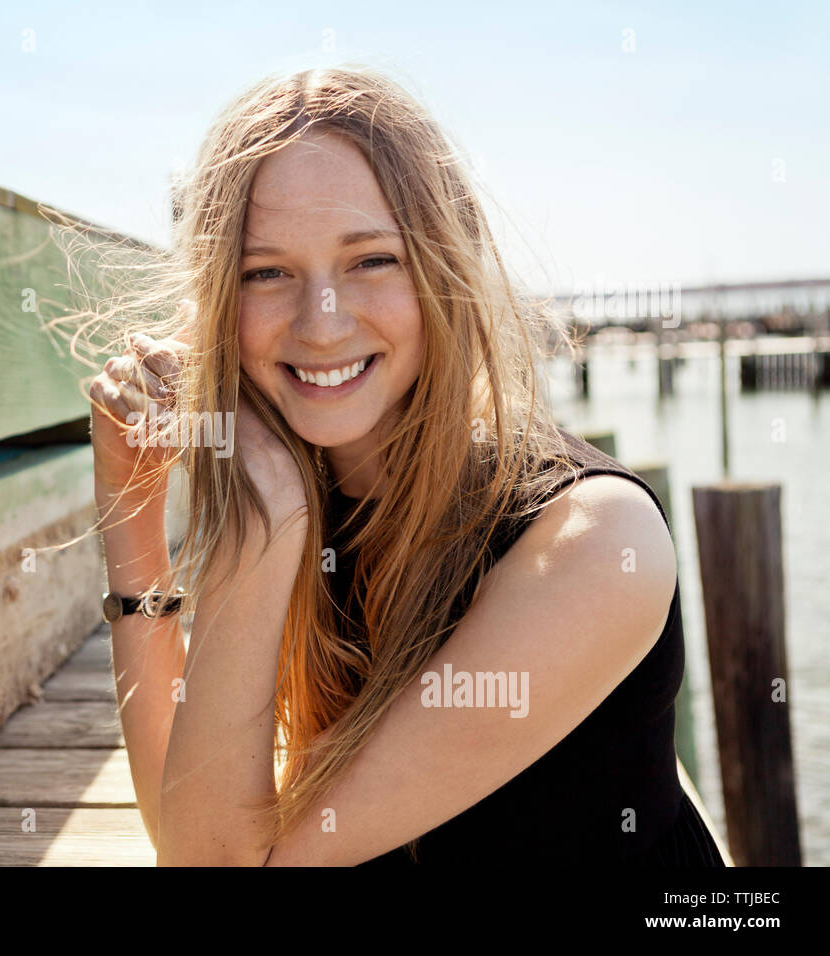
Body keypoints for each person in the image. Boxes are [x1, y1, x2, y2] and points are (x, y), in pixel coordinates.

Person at [72, 65, 726, 867]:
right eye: (265, 272)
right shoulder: (318, 492)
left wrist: (268, 513)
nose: (321, 323)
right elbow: (189, 830)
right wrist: (131, 507)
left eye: (371, 259)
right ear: (218, 302)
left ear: (444, 268)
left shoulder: (591, 544)